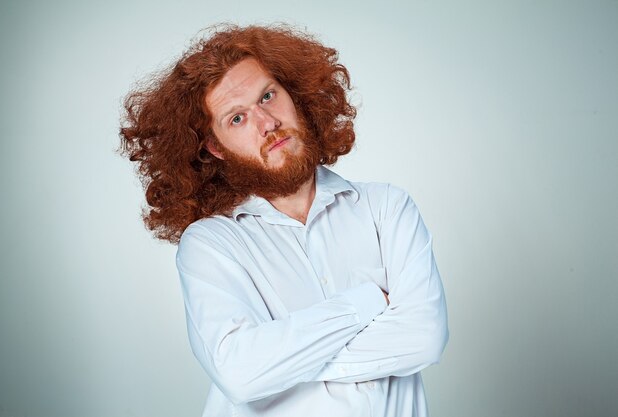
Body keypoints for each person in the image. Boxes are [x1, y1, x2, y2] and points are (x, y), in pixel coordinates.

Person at [120, 24, 448, 417]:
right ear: (215, 147)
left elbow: (424, 338)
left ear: (296, 95)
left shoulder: (387, 208)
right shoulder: (211, 244)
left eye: (268, 96)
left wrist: (283, 362)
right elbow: (241, 375)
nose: (266, 122)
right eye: (237, 119)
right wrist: (367, 302)